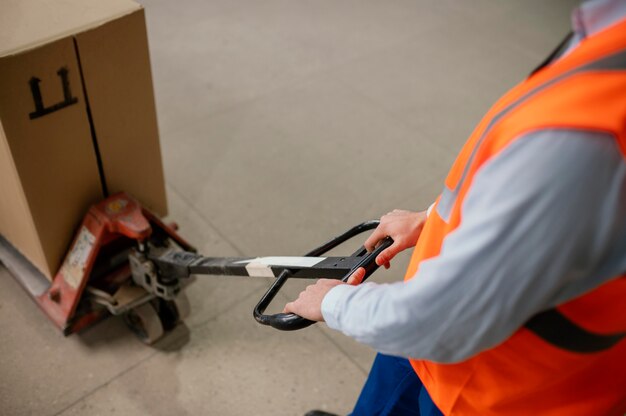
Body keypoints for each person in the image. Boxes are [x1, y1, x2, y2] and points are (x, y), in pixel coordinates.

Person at [284, 0, 626, 414]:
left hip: (493, 384)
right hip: (456, 334)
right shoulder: (603, 36)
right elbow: (538, 200)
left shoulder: (583, 133)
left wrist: (334, 303)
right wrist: (430, 218)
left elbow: (437, 322)